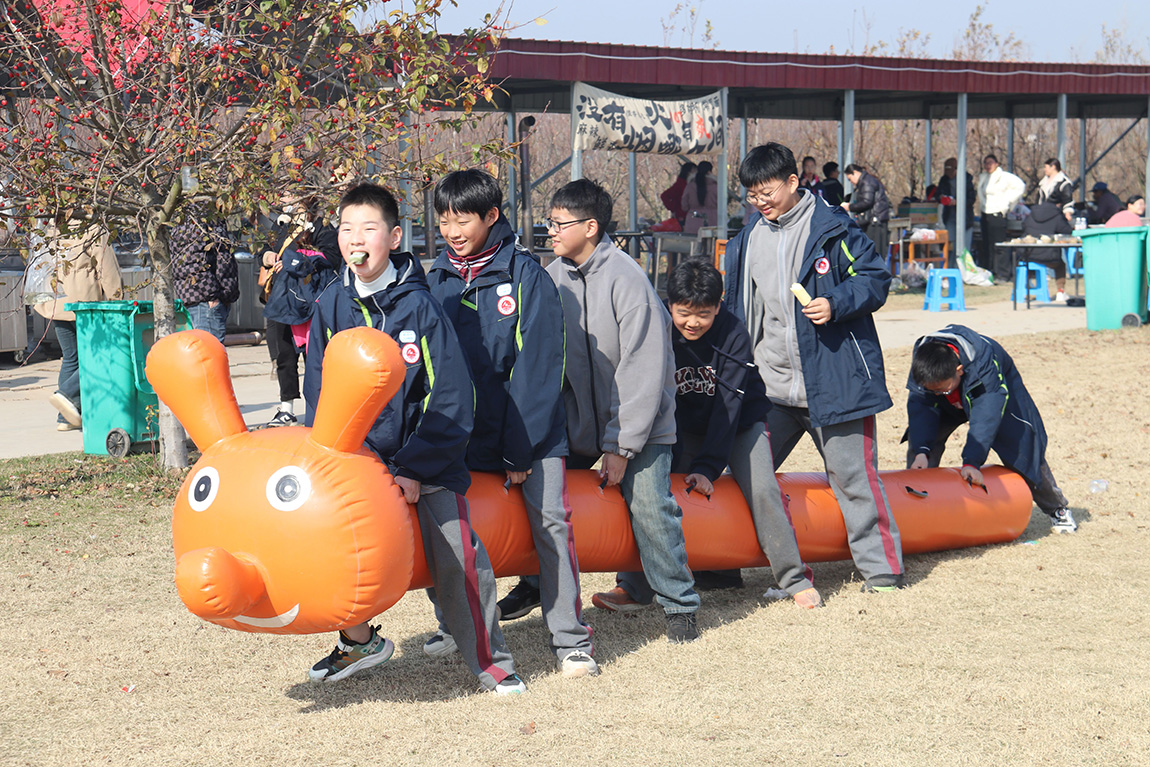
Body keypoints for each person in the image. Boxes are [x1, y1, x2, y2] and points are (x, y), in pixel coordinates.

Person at [302, 182, 525, 693]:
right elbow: (320, 394)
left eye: (369, 228)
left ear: (394, 236)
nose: (355, 239)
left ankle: (492, 663)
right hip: (359, 464)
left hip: (425, 460)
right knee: (328, 545)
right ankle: (358, 642)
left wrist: (414, 468)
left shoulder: (418, 307)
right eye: (346, 228)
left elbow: (449, 397)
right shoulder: (331, 304)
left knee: (457, 557)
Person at [423, 169, 597, 678]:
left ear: (492, 217)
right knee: (450, 529)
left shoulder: (527, 276)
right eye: (444, 220)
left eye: (464, 219)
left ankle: (570, 638)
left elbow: (539, 371)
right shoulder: (434, 280)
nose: (453, 230)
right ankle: (452, 623)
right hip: (460, 433)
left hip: (530, 432)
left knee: (551, 523)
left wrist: (517, 451)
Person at [726, 142, 905, 593]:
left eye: (767, 192)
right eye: (752, 195)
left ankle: (882, 571)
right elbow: (737, 308)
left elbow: (876, 279)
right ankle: (740, 568)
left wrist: (836, 302)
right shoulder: (746, 240)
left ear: (792, 182)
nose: (760, 202)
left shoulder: (834, 229)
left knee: (853, 479)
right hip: (769, 386)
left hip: (834, 379)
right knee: (744, 477)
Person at [545, 178, 701, 643]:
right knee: (542, 496)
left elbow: (643, 371)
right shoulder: (553, 277)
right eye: (549, 223)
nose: (550, 231)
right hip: (581, 423)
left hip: (641, 425)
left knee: (652, 509)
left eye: (559, 224)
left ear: (590, 227)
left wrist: (621, 446)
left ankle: (680, 605)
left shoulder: (627, 278)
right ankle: (534, 585)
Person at [666, 257, 822, 608]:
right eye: (683, 313)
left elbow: (728, 407)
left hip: (740, 422)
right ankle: (649, 582)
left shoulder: (734, 332)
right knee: (664, 492)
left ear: (718, 307)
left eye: (704, 314)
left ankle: (793, 577)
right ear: (669, 303)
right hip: (682, 426)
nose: (693, 323)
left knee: (763, 489)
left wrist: (708, 467)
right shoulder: (657, 326)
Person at [905, 325, 1077, 534]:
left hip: (990, 395)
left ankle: (1057, 509)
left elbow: (986, 417)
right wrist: (923, 451)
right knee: (919, 450)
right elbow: (920, 408)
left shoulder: (984, 362)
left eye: (944, 388)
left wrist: (972, 462)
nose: (940, 393)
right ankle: (919, 514)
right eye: (934, 390)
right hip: (947, 405)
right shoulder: (924, 363)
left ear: (959, 370)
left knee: (1024, 451)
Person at [33, 214, 123, 431]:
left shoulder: (52, 225)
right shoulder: (92, 226)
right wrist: (116, 299)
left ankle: (65, 418)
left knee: (71, 358)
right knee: (98, 357)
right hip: (86, 303)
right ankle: (66, 396)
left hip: (59, 302)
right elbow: (106, 267)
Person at [260, 197, 340, 427]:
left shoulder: (322, 226)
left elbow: (331, 258)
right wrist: (269, 257)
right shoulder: (281, 224)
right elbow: (265, 250)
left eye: (288, 194)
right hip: (281, 298)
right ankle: (287, 409)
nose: (284, 199)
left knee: (313, 357)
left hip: (307, 300)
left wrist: (293, 261)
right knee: (283, 355)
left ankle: (319, 409)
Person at [170, 208, 239, 344]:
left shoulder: (210, 217)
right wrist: (211, 296)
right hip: (206, 301)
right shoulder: (196, 218)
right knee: (209, 354)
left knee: (209, 353)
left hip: (212, 299)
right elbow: (193, 263)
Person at [977, 154, 1026, 280]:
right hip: (985, 212)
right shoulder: (983, 177)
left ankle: (1003, 273)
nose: (988, 166)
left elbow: (1020, 187)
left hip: (998, 213)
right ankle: (989, 271)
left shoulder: (1005, 177)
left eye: (991, 163)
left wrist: (1007, 203)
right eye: (986, 163)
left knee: (999, 245)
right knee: (987, 245)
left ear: (997, 164)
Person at [1021, 200, 1073, 302]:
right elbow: (1067, 231)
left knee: (1026, 263)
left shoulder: (1031, 214)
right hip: (1049, 257)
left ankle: (1028, 286)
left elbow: (1023, 227)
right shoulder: (1057, 216)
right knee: (1060, 265)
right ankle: (1060, 292)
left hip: (1030, 254)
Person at [841, 163, 892, 263]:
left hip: (875, 222)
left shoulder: (867, 182)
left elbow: (867, 202)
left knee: (875, 253)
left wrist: (849, 207)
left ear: (855, 173)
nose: (851, 182)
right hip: (875, 220)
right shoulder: (867, 181)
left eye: (850, 179)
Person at [935, 157, 976, 259]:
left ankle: (963, 271)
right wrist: (941, 198)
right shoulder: (944, 180)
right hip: (950, 217)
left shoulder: (967, 179)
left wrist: (958, 202)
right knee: (950, 246)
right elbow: (937, 194)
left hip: (965, 219)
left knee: (964, 248)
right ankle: (950, 269)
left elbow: (971, 198)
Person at [681, 160, 719, 236]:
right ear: (710, 171)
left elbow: (684, 206)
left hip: (693, 220)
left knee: (693, 246)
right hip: (712, 221)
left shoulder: (690, 186)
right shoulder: (716, 187)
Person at [658, 161, 695, 230]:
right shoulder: (681, 185)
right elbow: (664, 196)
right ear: (690, 171)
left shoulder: (687, 184)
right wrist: (673, 208)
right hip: (682, 216)